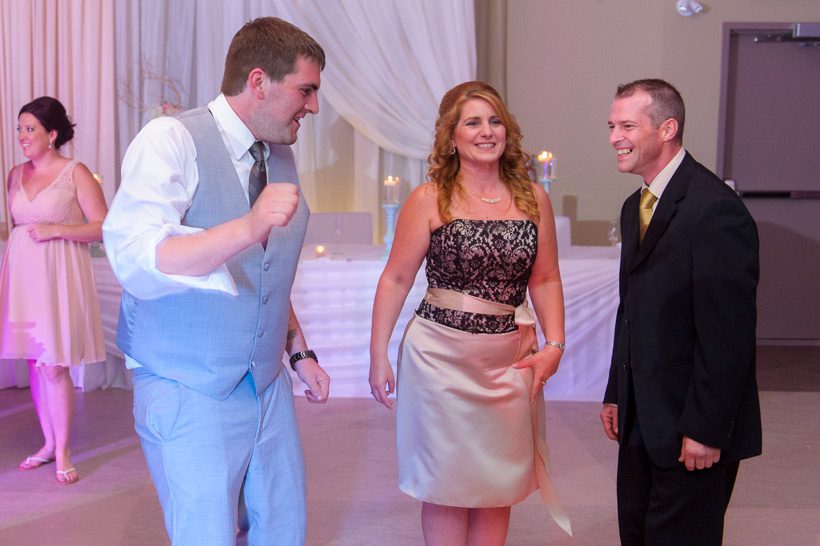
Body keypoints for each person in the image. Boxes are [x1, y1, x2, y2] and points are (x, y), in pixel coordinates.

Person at [102, 17, 330, 545]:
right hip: (189, 384)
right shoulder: (170, 139)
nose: (313, 107)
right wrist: (247, 227)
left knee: (283, 529)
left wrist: (298, 352)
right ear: (258, 82)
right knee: (206, 535)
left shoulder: (278, 153)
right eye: (306, 90)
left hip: (266, 384)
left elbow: (267, 274)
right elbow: (137, 257)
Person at [369, 81, 571, 545]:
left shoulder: (532, 199)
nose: (486, 131)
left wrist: (555, 345)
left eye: (495, 121)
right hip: (439, 361)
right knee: (446, 484)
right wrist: (378, 354)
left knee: (496, 483)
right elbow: (396, 279)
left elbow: (545, 279)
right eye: (473, 122)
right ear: (451, 135)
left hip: (507, 360)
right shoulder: (429, 198)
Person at [600, 79, 761, 545]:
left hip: (692, 426)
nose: (614, 136)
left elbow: (727, 335)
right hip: (640, 418)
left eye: (627, 125)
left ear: (667, 127)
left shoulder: (715, 211)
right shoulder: (636, 207)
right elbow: (631, 310)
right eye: (612, 125)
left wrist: (706, 429)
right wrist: (616, 391)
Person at [0, 96, 107, 485]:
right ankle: (47, 444)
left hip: (58, 274)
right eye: (20, 129)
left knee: (55, 364)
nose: (23, 136)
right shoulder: (14, 174)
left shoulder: (75, 172)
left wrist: (55, 229)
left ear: (53, 134)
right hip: (24, 276)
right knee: (33, 361)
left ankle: (63, 450)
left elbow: (102, 227)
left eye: (30, 129)